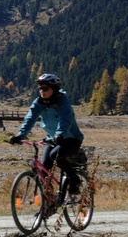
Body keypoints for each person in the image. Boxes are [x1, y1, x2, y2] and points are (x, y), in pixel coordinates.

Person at [8, 73, 85, 204]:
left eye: (45, 88)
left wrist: (60, 134)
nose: (41, 91)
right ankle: (47, 204)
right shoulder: (39, 102)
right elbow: (29, 119)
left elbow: (65, 119)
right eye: (40, 88)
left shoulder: (63, 100)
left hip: (71, 139)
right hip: (52, 139)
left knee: (55, 155)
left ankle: (74, 179)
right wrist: (20, 136)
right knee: (43, 171)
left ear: (54, 89)